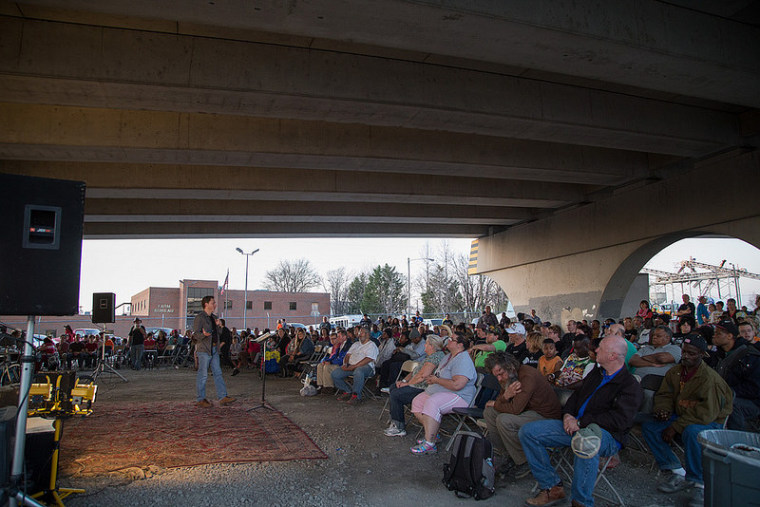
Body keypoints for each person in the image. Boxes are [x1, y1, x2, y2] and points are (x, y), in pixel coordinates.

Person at [519, 336, 643, 507]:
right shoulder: (597, 373)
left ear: (613, 356)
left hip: (606, 435)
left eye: (601, 349)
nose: (596, 350)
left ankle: (581, 501)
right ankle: (552, 487)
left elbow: (620, 420)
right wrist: (568, 415)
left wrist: (582, 422)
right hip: (576, 425)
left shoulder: (629, 385)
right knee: (529, 432)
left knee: (585, 443)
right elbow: (576, 396)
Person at [642, 335, 732, 507]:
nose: (686, 356)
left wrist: (675, 426)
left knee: (692, 432)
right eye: (684, 352)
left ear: (701, 355)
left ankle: (698, 483)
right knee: (650, 426)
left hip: (709, 420)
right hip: (684, 415)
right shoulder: (675, 372)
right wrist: (663, 410)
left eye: (691, 353)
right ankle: (676, 470)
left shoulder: (709, 378)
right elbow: (664, 394)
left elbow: (707, 413)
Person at [483, 352, 562, 479]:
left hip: (544, 416)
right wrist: (505, 397)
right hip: (527, 412)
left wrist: (499, 402)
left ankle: (524, 460)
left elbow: (514, 409)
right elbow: (503, 400)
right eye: (496, 375)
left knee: (504, 420)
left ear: (510, 367)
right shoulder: (509, 376)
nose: (499, 379)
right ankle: (509, 455)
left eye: (500, 373)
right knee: (489, 413)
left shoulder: (527, 376)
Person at [409, 332, 477, 454]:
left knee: (432, 402)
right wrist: (433, 379)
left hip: (460, 396)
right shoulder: (449, 356)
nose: (448, 340)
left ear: (460, 345)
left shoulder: (463, 359)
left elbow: (458, 385)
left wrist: (436, 380)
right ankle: (433, 434)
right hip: (441, 391)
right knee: (417, 402)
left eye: (452, 339)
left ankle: (429, 443)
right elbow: (439, 375)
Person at [383, 334, 448, 437]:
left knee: (396, 394)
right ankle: (395, 418)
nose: (424, 346)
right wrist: (403, 380)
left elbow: (423, 376)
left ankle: (399, 427)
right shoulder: (430, 356)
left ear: (432, 346)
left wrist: (407, 384)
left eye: (426, 344)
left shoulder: (436, 357)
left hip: (423, 388)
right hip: (416, 384)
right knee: (393, 387)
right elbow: (415, 371)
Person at [708, 319, 760, 430]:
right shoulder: (719, 355)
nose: (714, 336)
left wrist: (728, 392)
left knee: (730, 405)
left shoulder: (750, 355)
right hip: (723, 396)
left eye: (718, 333)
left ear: (730, 336)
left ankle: (737, 442)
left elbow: (754, 388)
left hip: (751, 402)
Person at [193, 296, 236, 408]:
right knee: (203, 375)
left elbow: (219, 333)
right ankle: (200, 398)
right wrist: (204, 335)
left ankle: (223, 396)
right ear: (206, 304)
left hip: (214, 349)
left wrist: (218, 327)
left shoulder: (214, 317)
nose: (215, 305)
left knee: (218, 372)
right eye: (213, 303)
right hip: (204, 350)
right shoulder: (200, 318)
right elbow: (195, 335)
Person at [629, 325, 681, 413]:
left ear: (667, 337)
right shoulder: (646, 348)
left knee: (648, 394)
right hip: (637, 379)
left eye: (658, 336)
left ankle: (643, 418)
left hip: (656, 382)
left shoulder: (674, 348)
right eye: (653, 335)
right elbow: (633, 361)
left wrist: (642, 358)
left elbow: (662, 359)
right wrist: (652, 363)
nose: (654, 337)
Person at [331, 326, 378, 405]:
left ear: (368, 335)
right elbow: (347, 355)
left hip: (367, 368)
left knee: (358, 371)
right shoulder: (356, 344)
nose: (359, 334)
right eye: (359, 332)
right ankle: (347, 391)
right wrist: (345, 364)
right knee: (335, 374)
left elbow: (368, 359)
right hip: (351, 366)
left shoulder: (371, 345)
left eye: (362, 332)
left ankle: (356, 396)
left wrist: (354, 366)